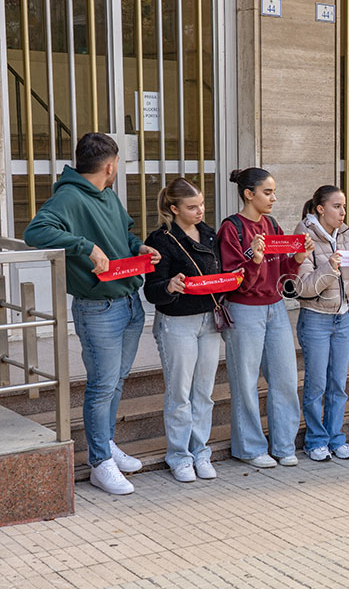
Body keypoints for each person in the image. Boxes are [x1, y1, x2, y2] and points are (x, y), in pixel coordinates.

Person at [24, 133, 161, 495]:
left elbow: (124, 237)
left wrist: (140, 247)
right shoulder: (68, 197)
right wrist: (85, 247)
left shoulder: (108, 196)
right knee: (102, 385)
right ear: (110, 166)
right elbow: (35, 231)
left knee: (115, 381)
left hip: (129, 301)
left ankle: (106, 444)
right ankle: (99, 461)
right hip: (97, 307)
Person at [217, 168, 312, 468]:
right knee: (244, 380)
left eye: (273, 192)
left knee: (285, 378)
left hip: (275, 307)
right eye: (267, 192)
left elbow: (283, 271)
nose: (273, 198)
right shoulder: (231, 228)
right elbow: (235, 279)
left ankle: (284, 445)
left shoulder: (271, 224)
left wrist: (297, 258)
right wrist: (254, 260)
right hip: (244, 308)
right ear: (249, 194)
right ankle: (250, 448)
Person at [143, 179, 221, 482]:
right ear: (173, 209)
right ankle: (179, 456)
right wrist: (169, 286)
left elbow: (217, 274)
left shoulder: (209, 234)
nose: (199, 210)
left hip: (208, 320)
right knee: (180, 393)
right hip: (177, 322)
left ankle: (201, 452)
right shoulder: (161, 239)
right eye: (191, 207)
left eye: (201, 204)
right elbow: (152, 290)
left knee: (204, 392)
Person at [295, 185, 349, 462]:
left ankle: (335, 437)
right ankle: (315, 440)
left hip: (343, 317)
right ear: (320, 209)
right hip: (316, 318)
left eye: (343, 207)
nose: (342, 212)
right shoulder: (304, 237)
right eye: (336, 206)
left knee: (338, 384)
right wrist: (330, 268)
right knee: (316, 385)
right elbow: (302, 287)